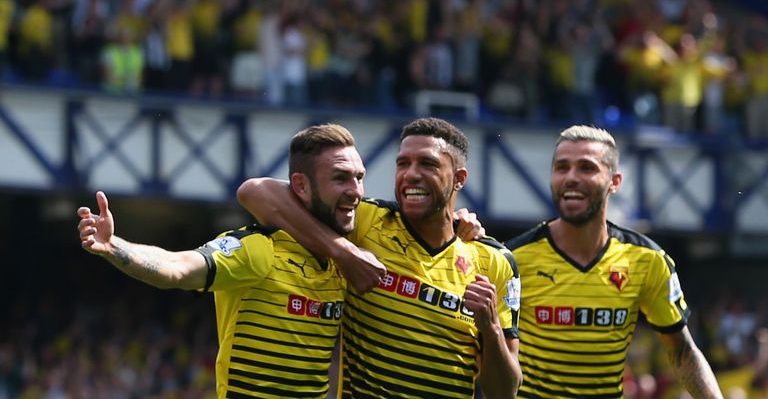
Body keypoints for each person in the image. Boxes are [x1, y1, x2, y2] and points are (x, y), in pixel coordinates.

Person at [76, 123, 386, 398]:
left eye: (359, 177)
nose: (356, 191)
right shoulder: (260, 250)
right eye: (341, 178)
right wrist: (115, 246)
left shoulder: (344, 260)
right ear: (302, 186)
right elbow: (177, 268)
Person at [237, 117, 523, 399]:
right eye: (402, 163)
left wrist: (491, 327)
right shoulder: (364, 222)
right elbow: (255, 192)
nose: (410, 174)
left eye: (427, 163)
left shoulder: (493, 260)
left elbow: (505, 392)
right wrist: (344, 252)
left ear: (459, 179)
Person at [504, 125, 723, 398]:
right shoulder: (513, 259)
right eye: (562, 167)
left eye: (586, 168)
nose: (571, 177)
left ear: (614, 182)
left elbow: (682, 353)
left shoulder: (648, 260)